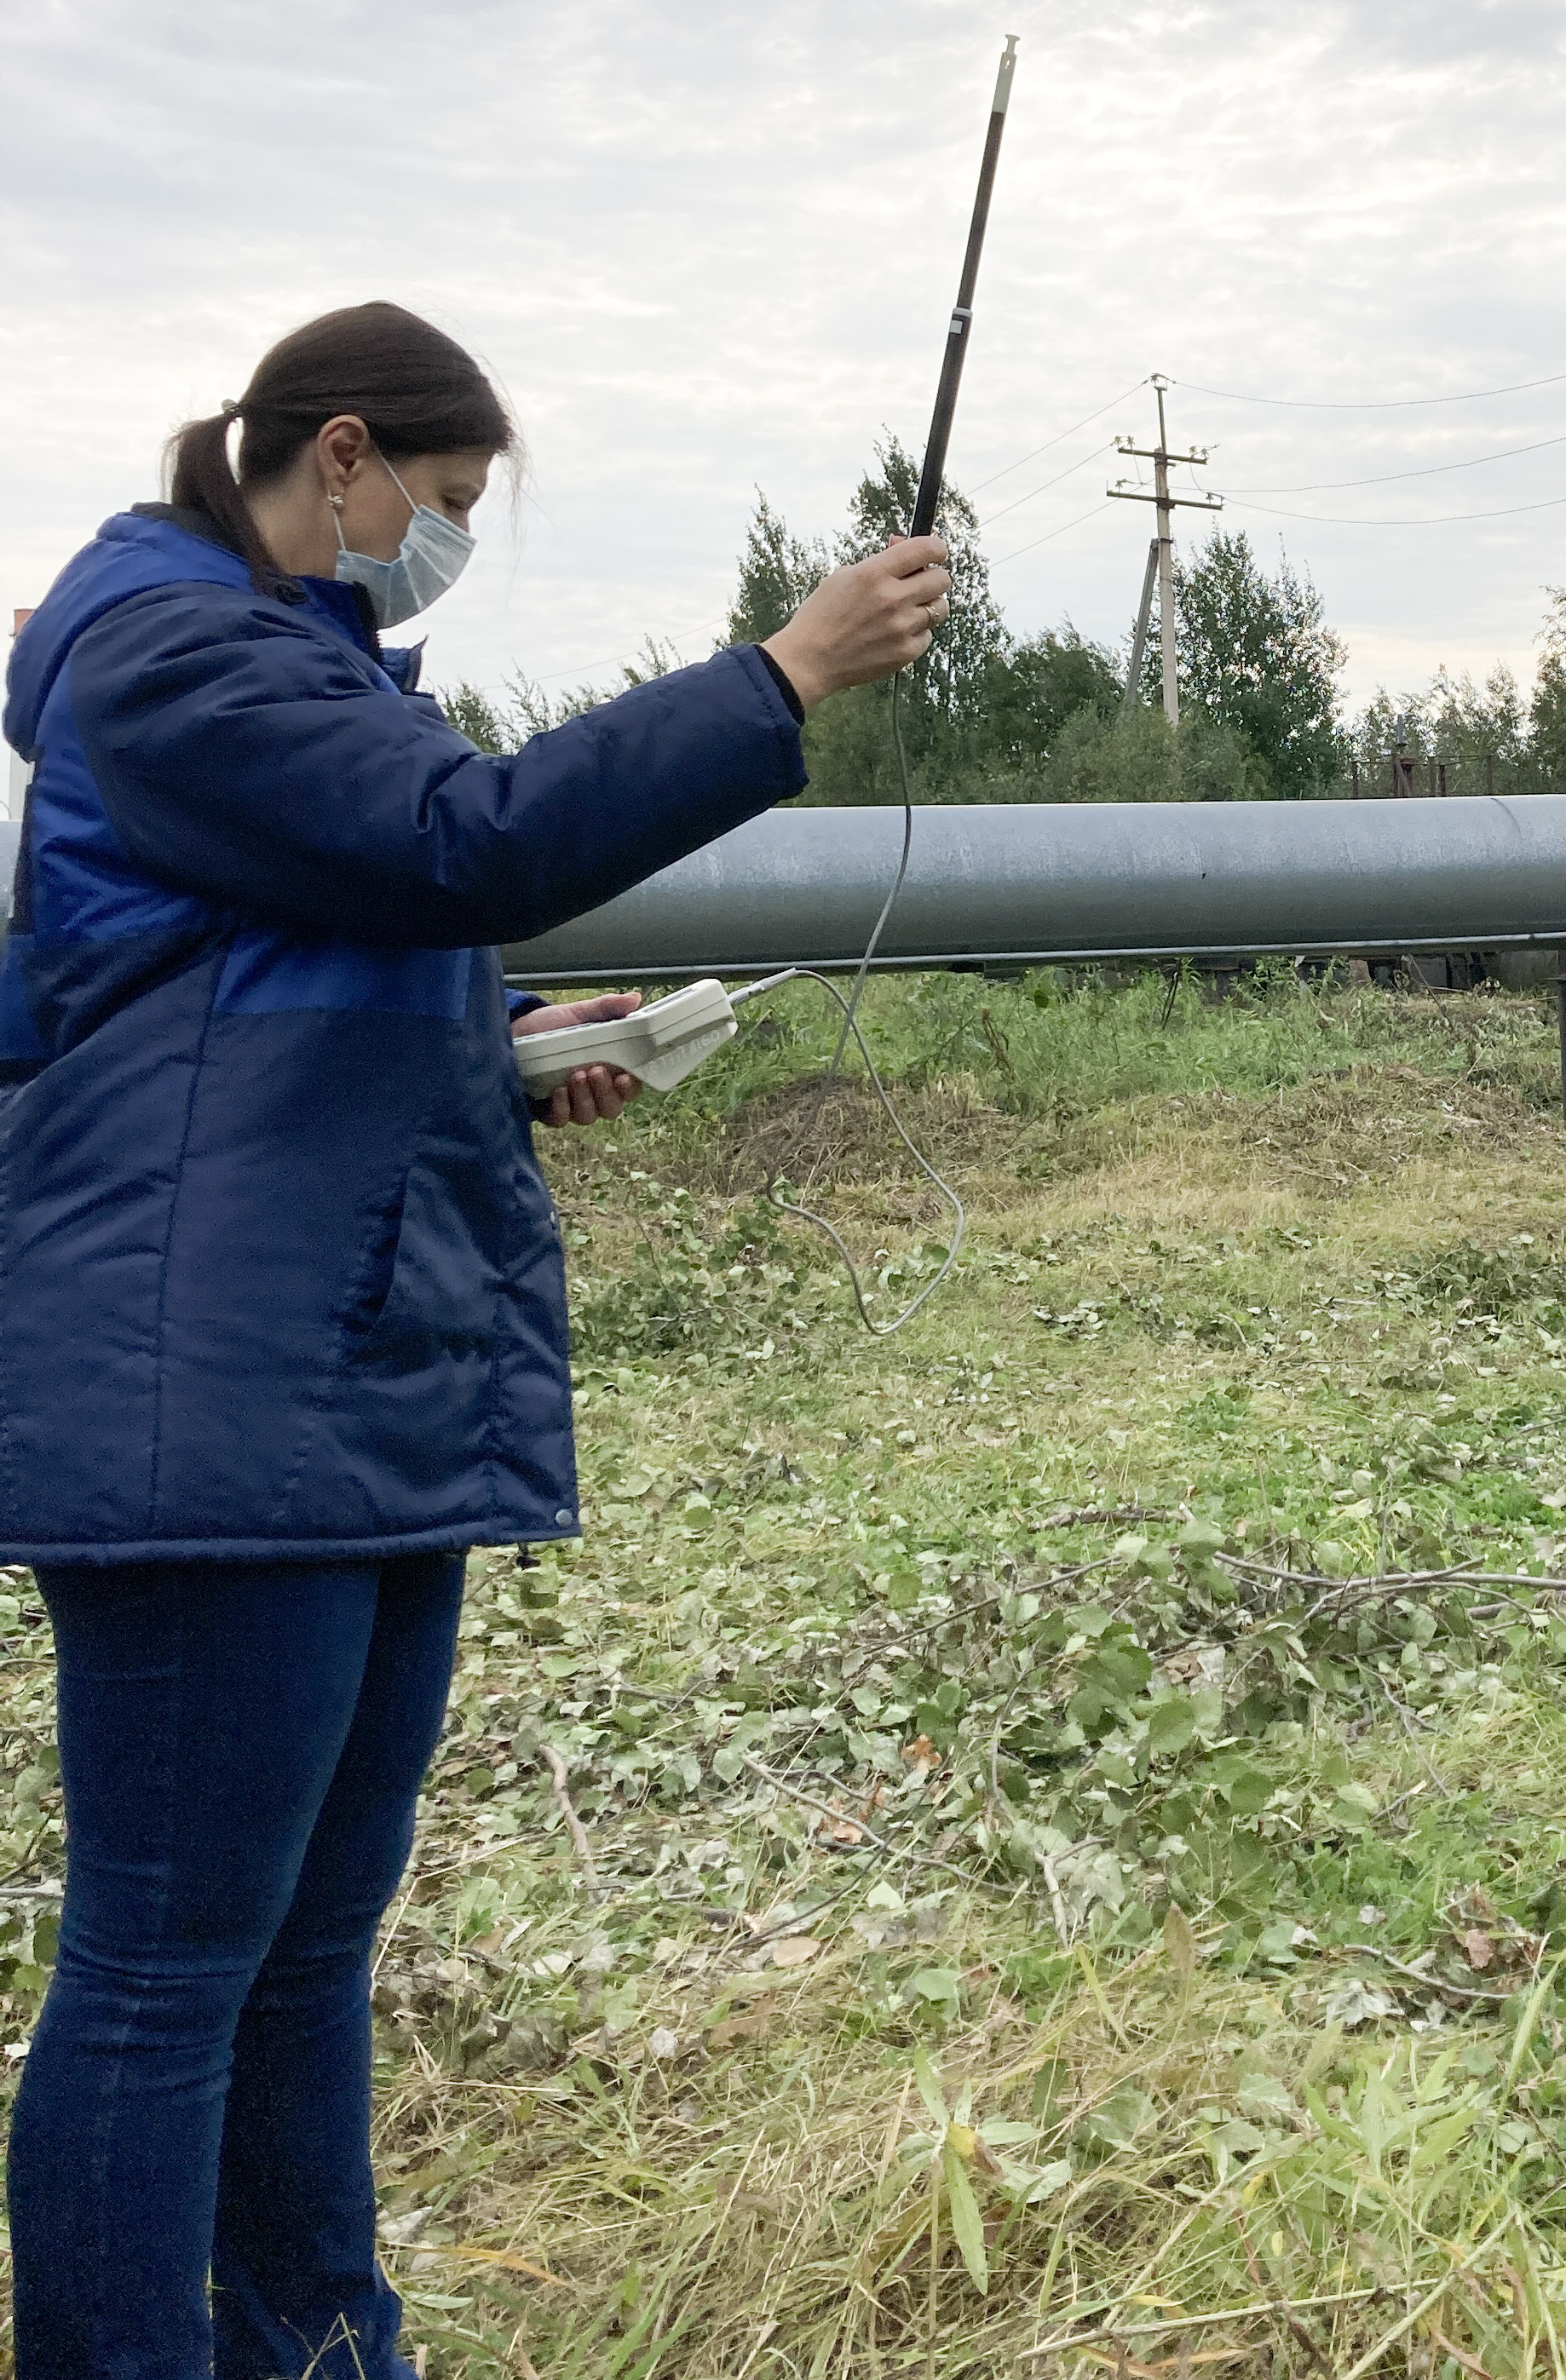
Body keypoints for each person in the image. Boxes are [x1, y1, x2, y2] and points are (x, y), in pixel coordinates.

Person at [0, 302, 949, 2378]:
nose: (442, 544)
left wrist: (512, 1051)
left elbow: (273, 986)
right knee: (171, 1967)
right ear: (338, 459)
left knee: (303, 1947)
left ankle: (322, 2351)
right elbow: (472, 846)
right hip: (210, 1399)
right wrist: (778, 675)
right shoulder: (171, 658)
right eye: (439, 504)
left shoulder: (290, 669)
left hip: (337, 1371)